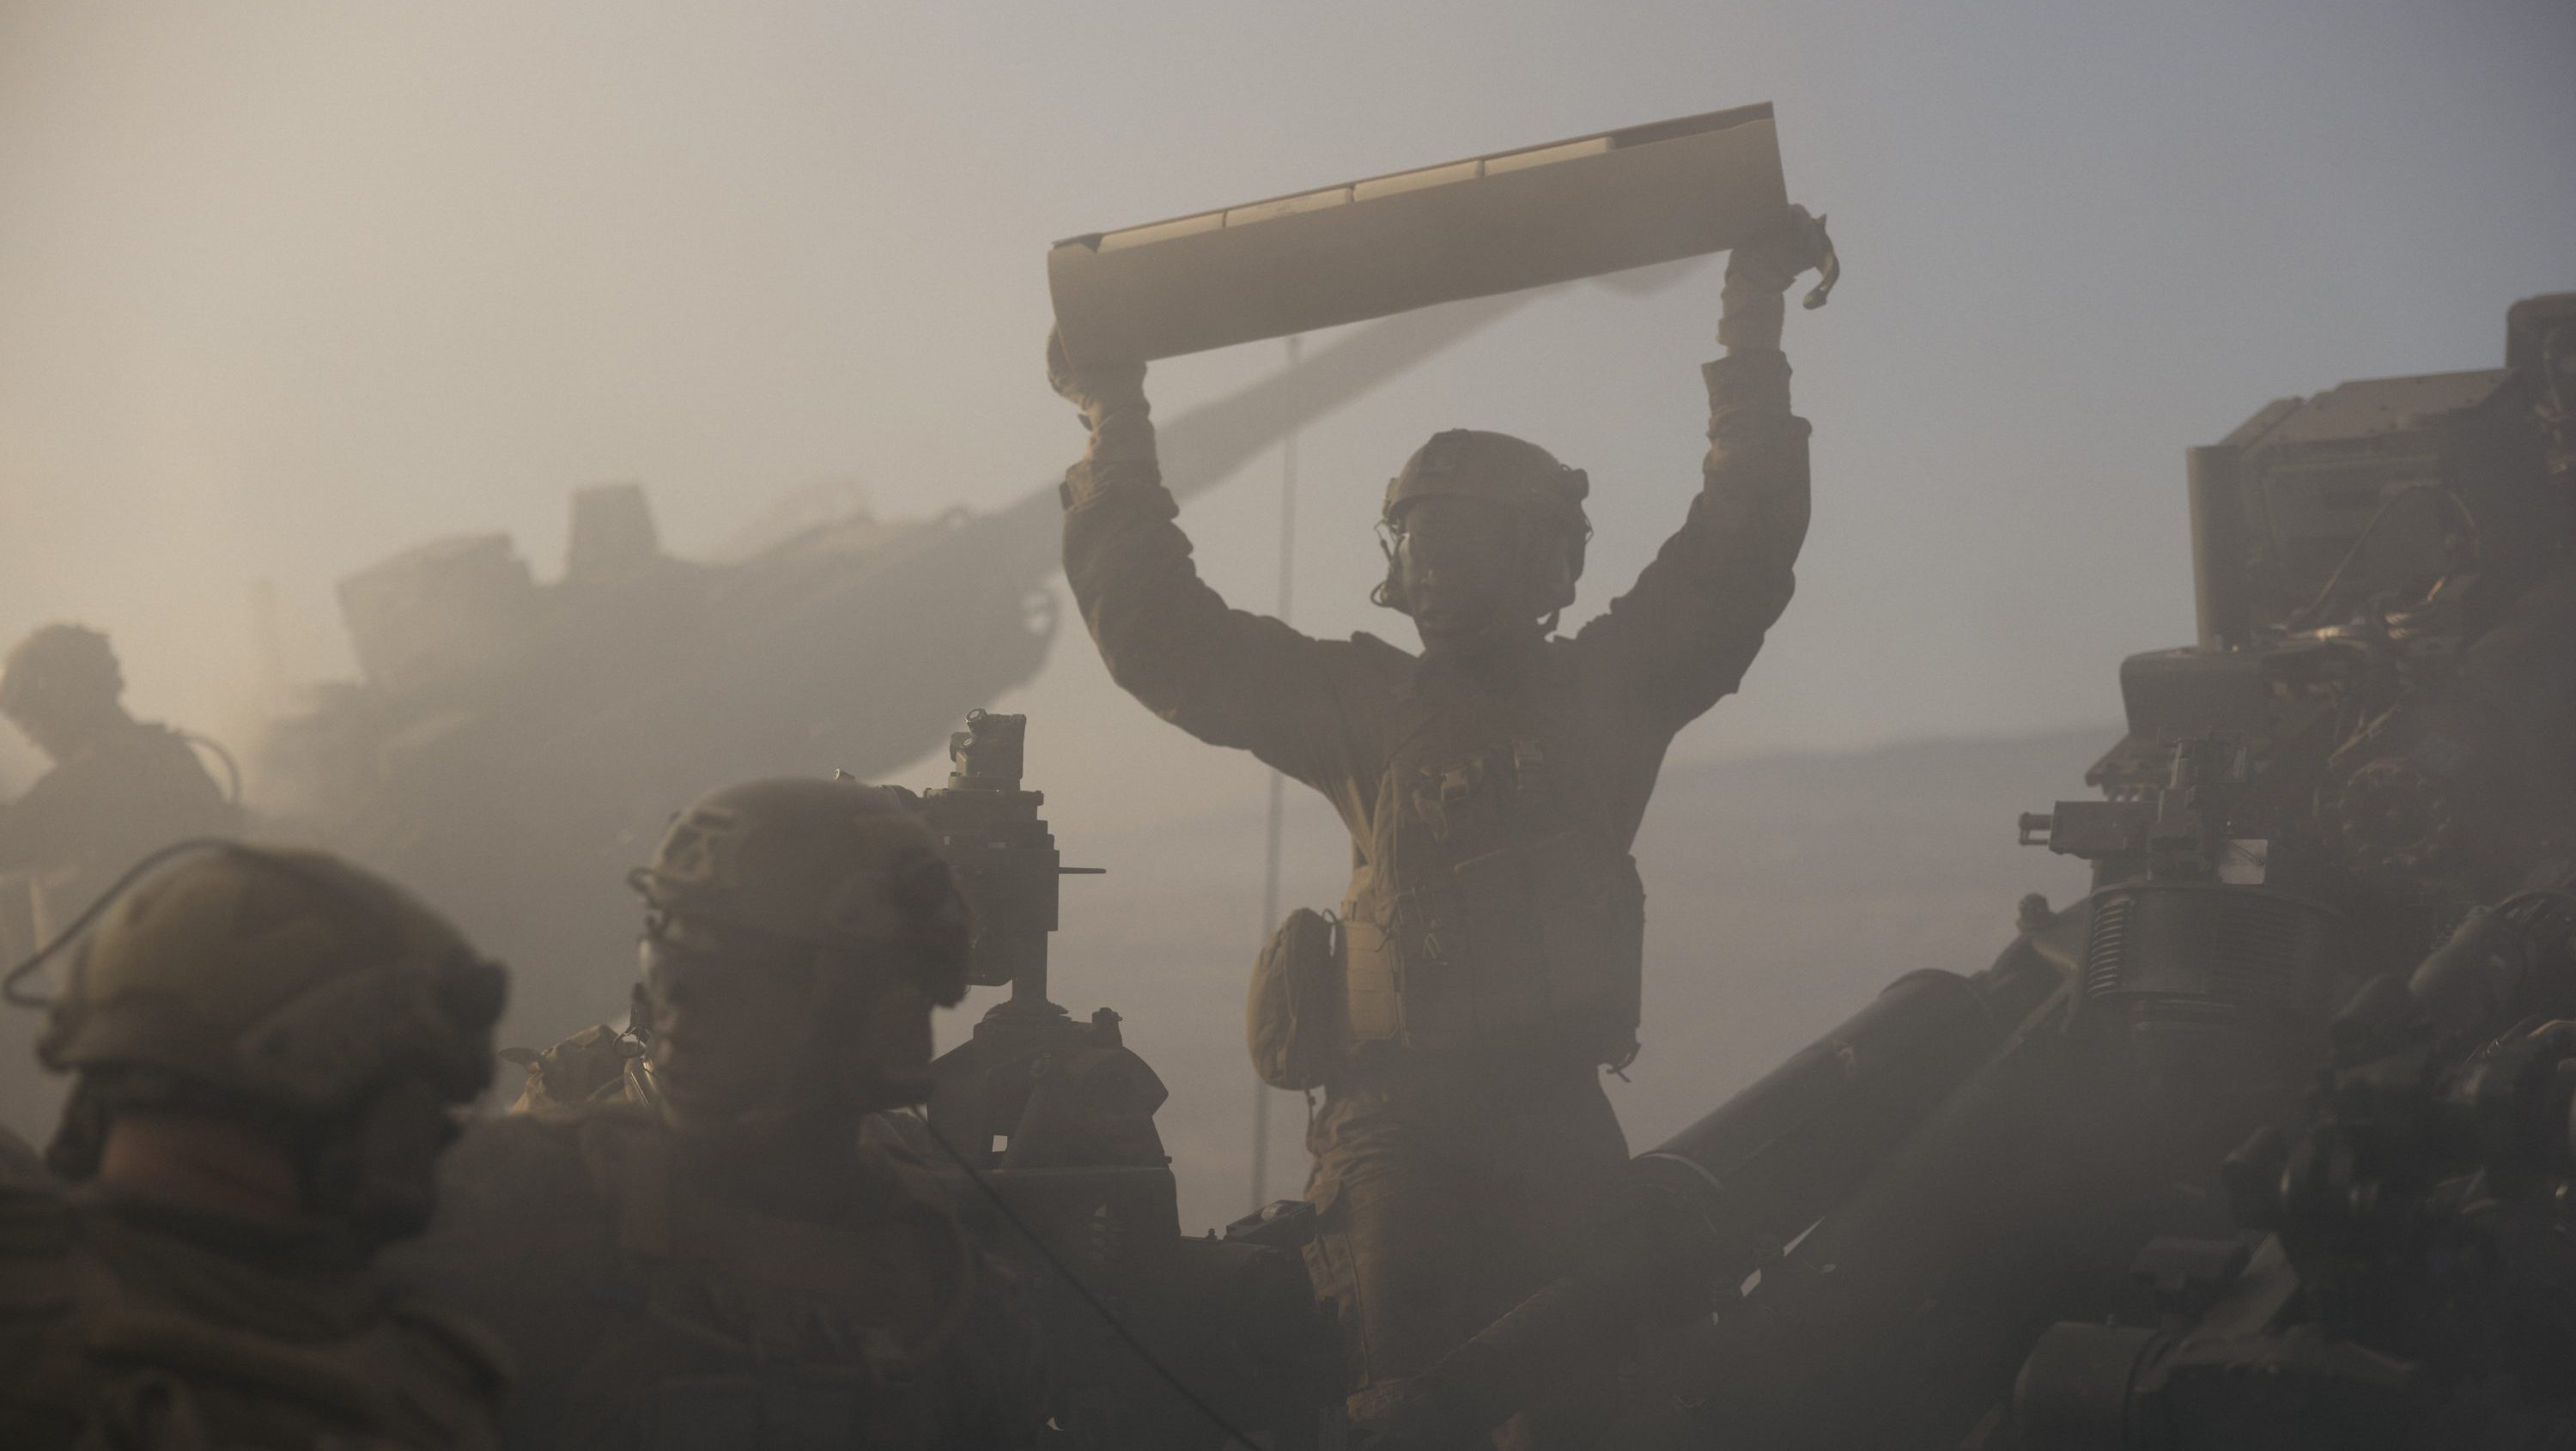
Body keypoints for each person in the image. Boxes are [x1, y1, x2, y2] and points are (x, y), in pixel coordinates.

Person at [1049, 210, 1837, 1441]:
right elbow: (1161, 633)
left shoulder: (1606, 692)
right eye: (1421, 530)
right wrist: (1114, 419)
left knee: (1591, 1400)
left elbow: (1740, 539)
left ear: (1543, 560)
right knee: (1406, 1407)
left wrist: (1753, 311)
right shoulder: (1365, 703)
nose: (1437, 555)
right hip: (1397, 1128)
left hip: (1547, 1123)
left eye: (1467, 529)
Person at [392, 776, 1046, 1451]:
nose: (677, 1012)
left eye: (730, 975)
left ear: (871, 1005)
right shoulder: (506, 1205)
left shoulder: (950, 1298)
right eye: (670, 960)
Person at [0, 842, 513, 1450]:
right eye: (419, 1093)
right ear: (318, 1067)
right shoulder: (423, 1400)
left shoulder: (428, 1383)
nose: (437, 1133)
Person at [0, 624, 240, 951]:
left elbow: (12, 837)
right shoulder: (171, 754)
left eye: (32, 720)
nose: (32, 740)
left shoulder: (100, 775)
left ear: (61, 700)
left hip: (151, 978)